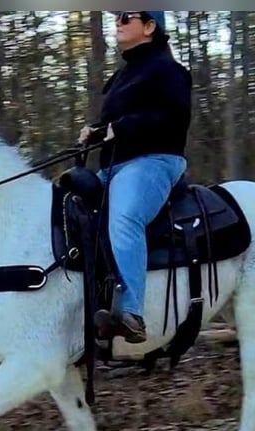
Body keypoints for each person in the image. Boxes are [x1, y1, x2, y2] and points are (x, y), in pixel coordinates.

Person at [80, 11, 192, 344]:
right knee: (68, 203)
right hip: (114, 166)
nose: (118, 22)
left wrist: (121, 128)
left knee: (124, 215)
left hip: (154, 161)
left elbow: (174, 117)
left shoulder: (168, 70)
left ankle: (131, 312)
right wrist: (96, 132)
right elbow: (117, 123)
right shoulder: (121, 77)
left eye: (126, 17)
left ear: (149, 26)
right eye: (117, 17)